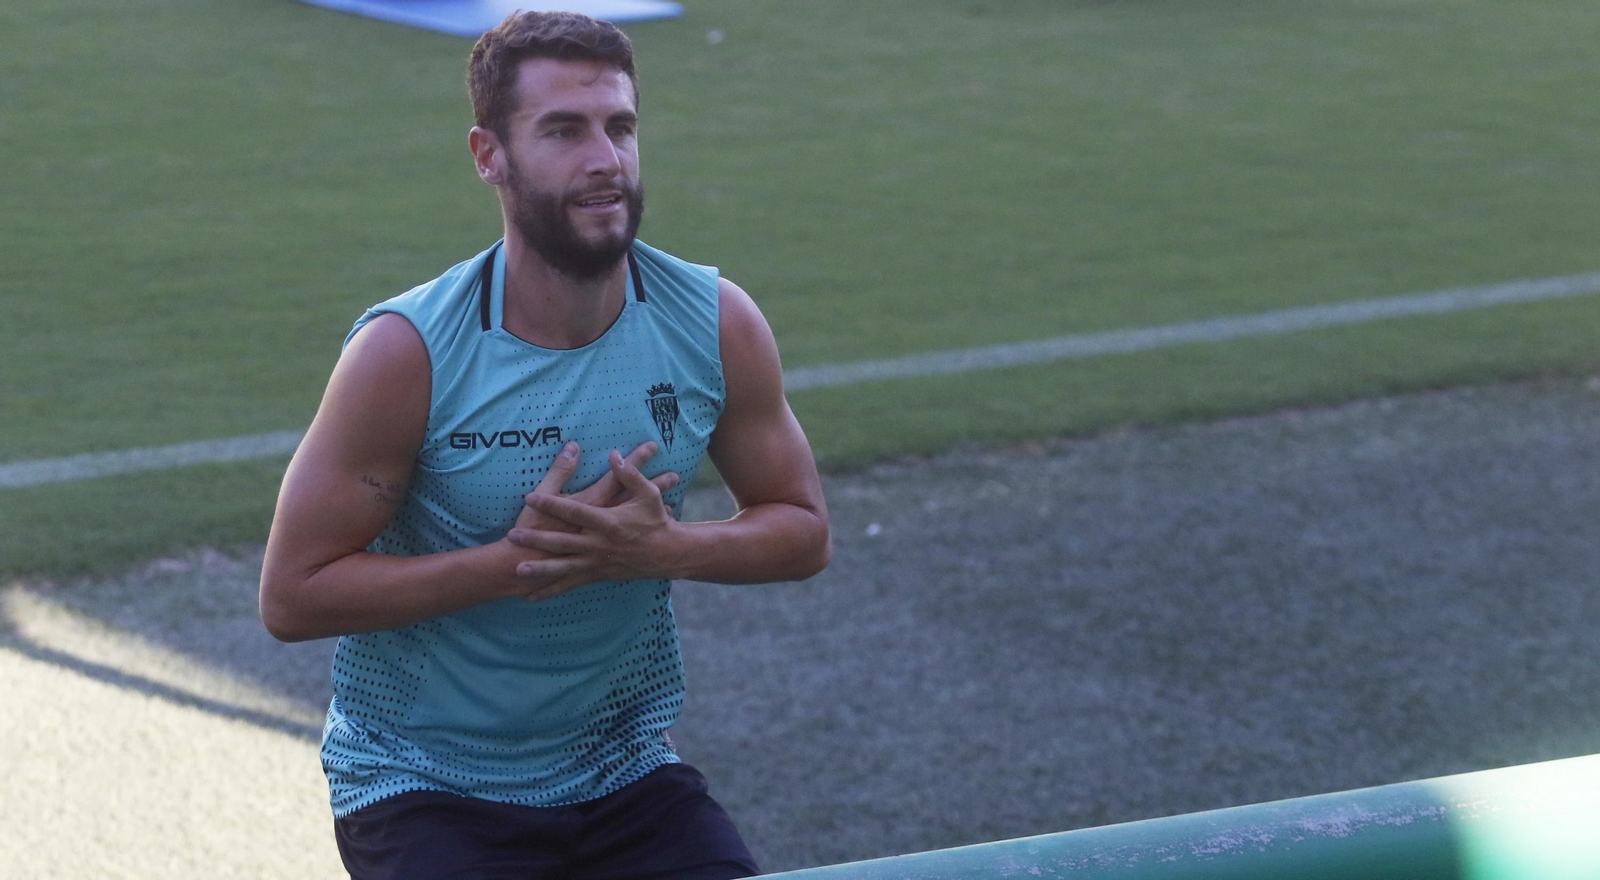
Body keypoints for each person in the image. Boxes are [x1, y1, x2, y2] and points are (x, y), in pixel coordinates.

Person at [258, 11, 830, 879]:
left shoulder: (713, 322)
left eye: (621, 127)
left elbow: (802, 531)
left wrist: (662, 550)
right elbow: (293, 597)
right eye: (563, 130)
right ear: (489, 154)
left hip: (626, 768)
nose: (605, 158)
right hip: (421, 784)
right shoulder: (406, 354)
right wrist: (521, 561)